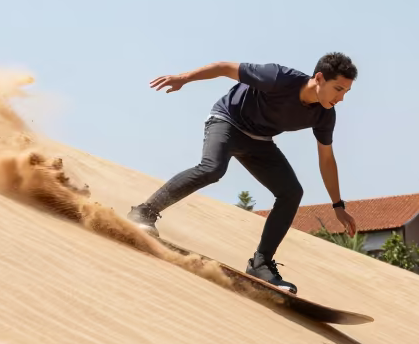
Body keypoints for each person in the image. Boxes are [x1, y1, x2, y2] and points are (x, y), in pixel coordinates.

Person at [128, 53, 358, 294]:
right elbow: (224, 67)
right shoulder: (278, 78)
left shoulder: (324, 114)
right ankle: (144, 212)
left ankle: (261, 263)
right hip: (227, 121)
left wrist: (338, 205)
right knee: (213, 168)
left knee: (291, 192)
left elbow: (326, 159)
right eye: (338, 89)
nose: (340, 98)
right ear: (319, 78)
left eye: (346, 92)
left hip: (259, 142)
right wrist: (184, 78)